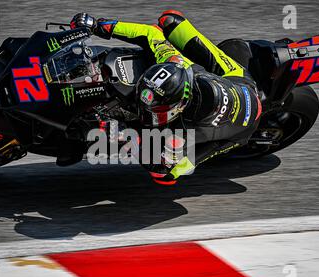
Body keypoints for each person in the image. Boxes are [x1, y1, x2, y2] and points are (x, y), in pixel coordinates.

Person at [70, 11, 262, 185]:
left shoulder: (181, 134)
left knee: (169, 173)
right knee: (170, 20)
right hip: (237, 79)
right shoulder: (177, 64)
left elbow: (162, 172)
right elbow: (150, 33)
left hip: (243, 127)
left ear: (179, 107)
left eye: (157, 110)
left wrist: (126, 137)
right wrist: (98, 25)